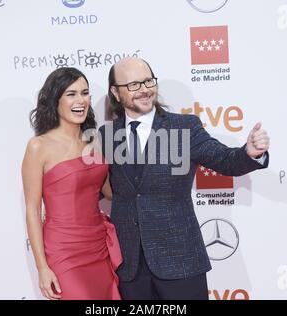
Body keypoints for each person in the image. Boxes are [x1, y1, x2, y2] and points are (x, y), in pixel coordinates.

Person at [98, 57, 270, 300]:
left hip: (180, 260)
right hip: (130, 266)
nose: (145, 89)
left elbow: (224, 159)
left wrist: (249, 153)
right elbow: (95, 186)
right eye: (134, 85)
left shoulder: (184, 128)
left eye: (148, 81)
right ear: (116, 92)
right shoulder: (106, 135)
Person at [22, 67, 122, 300]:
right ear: (55, 100)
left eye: (85, 93)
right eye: (71, 94)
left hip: (98, 245)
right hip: (64, 250)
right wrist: (42, 267)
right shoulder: (38, 146)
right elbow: (32, 210)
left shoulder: (93, 141)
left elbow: (110, 192)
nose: (81, 100)